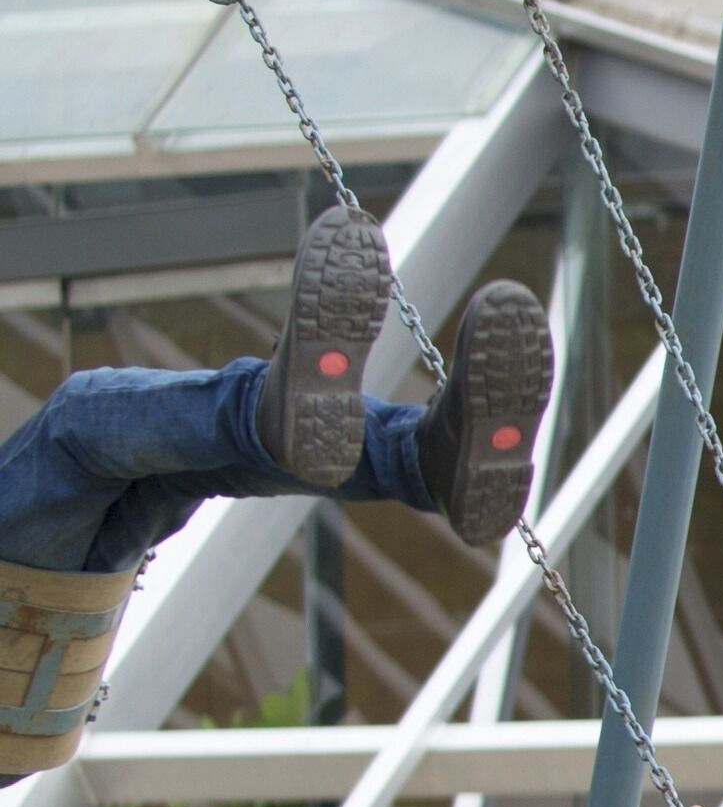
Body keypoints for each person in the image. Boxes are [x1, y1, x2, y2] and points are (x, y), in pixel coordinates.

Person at [0, 205, 553, 578]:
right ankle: (294, 421)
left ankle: (424, 458)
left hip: (42, 635)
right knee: (80, 423)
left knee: (180, 459)